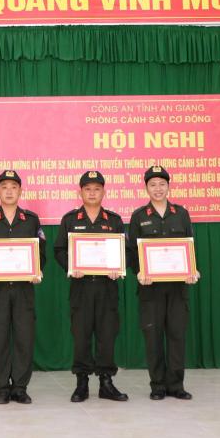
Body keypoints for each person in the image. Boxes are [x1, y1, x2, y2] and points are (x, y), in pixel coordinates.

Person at [126, 165, 200, 401]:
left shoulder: (181, 213)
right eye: (152, 185)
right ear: (146, 188)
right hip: (150, 288)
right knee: (153, 337)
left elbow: (189, 245)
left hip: (178, 287)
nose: (157, 189)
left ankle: (176, 385)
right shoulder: (139, 216)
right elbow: (132, 251)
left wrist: (192, 270)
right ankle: (157, 385)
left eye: (162, 184)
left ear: (168, 186)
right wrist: (139, 272)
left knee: (177, 336)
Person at [54, 170, 128, 403]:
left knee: (107, 335)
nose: (92, 193)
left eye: (97, 189)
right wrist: (71, 266)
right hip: (81, 287)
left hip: (107, 287)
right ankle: (82, 383)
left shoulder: (114, 220)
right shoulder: (70, 219)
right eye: (88, 189)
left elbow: (125, 250)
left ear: (104, 192)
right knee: (81, 335)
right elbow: (59, 250)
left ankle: (106, 382)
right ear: (80, 192)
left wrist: (118, 267)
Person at [0, 170, 46, 404]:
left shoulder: (31, 220)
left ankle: (20, 387)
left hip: (24, 289)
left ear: (20, 191)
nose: (9, 191)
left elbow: (40, 252)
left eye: (14, 187)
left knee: (24, 338)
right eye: (4, 187)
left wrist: (37, 271)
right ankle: (2, 388)